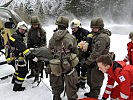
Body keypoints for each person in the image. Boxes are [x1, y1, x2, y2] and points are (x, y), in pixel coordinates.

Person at [48, 16, 79, 100]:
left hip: (56, 64)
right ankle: (72, 98)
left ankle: (56, 97)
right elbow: (76, 52)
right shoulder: (71, 37)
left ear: (57, 26)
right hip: (68, 64)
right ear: (66, 26)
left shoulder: (52, 37)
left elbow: (49, 50)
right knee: (71, 83)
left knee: (56, 81)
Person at [84, 17, 111, 98]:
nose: (93, 29)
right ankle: (92, 92)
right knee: (90, 79)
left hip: (99, 62)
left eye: (95, 28)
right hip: (94, 60)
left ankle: (94, 95)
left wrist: (88, 61)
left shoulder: (102, 38)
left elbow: (97, 52)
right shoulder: (96, 35)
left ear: (100, 27)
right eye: (92, 28)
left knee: (96, 79)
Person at [7, 21, 38, 91]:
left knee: (18, 69)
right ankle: (17, 87)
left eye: (24, 29)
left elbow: (21, 47)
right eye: (21, 29)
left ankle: (14, 80)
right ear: (18, 28)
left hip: (12, 56)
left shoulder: (17, 35)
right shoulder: (16, 37)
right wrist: (32, 57)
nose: (22, 30)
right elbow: (23, 49)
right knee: (23, 71)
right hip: (13, 57)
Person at [70, 19, 92, 89]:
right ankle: (78, 83)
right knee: (76, 69)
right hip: (78, 54)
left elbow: (90, 35)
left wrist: (87, 43)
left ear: (79, 27)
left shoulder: (84, 31)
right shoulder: (73, 34)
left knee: (84, 69)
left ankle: (83, 84)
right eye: (72, 28)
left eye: (75, 28)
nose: (73, 29)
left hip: (85, 54)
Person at [27, 16, 47, 81]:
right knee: (31, 61)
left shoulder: (42, 31)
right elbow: (28, 40)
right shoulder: (30, 31)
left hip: (39, 49)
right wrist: (29, 48)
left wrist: (39, 49)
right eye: (33, 24)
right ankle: (32, 73)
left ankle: (37, 76)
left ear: (38, 24)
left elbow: (43, 42)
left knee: (38, 63)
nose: (34, 25)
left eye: (36, 24)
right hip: (32, 48)